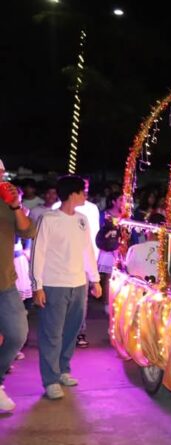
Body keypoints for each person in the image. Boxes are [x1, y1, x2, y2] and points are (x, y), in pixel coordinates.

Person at [30, 175, 102, 400]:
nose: (85, 196)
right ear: (73, 194)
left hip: (78, 283)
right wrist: (38, 286)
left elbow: (87, 250)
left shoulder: (82, 219)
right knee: (52, 334)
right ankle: (50, 380)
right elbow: (38, 252)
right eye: (82, 192)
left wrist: (95, 279)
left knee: (71, 331)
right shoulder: (49, 219)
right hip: (54, 284)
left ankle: (63, 369)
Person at [0, 161, 35, 412]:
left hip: (4, 282)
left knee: (17, 333)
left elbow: (27, 231)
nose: (3, 178)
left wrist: (14, 205)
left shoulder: (8, 201)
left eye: (3, 173)